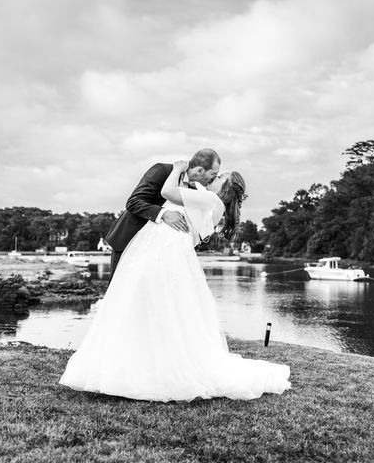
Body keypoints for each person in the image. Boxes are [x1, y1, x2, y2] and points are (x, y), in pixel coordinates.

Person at [59, 160, 291, 402]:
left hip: (164, 252)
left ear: (226, 188)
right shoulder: (207, 201)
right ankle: (143, 361)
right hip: (169, 253)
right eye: (215, 173)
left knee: (149, 305)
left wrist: (179, 169)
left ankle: (141, 367)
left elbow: (167, 193)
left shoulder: (211, 200)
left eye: (220, 177)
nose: (215, 177)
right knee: (162, 309)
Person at [104, 148, 221, 275]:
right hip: (130, 241)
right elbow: (133, 202)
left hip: (160, 252)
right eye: (213, 174)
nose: (212, 179)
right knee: (122, 291)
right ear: (200, 170)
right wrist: (164, 214)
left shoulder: (197, 190)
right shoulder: (162, 170)